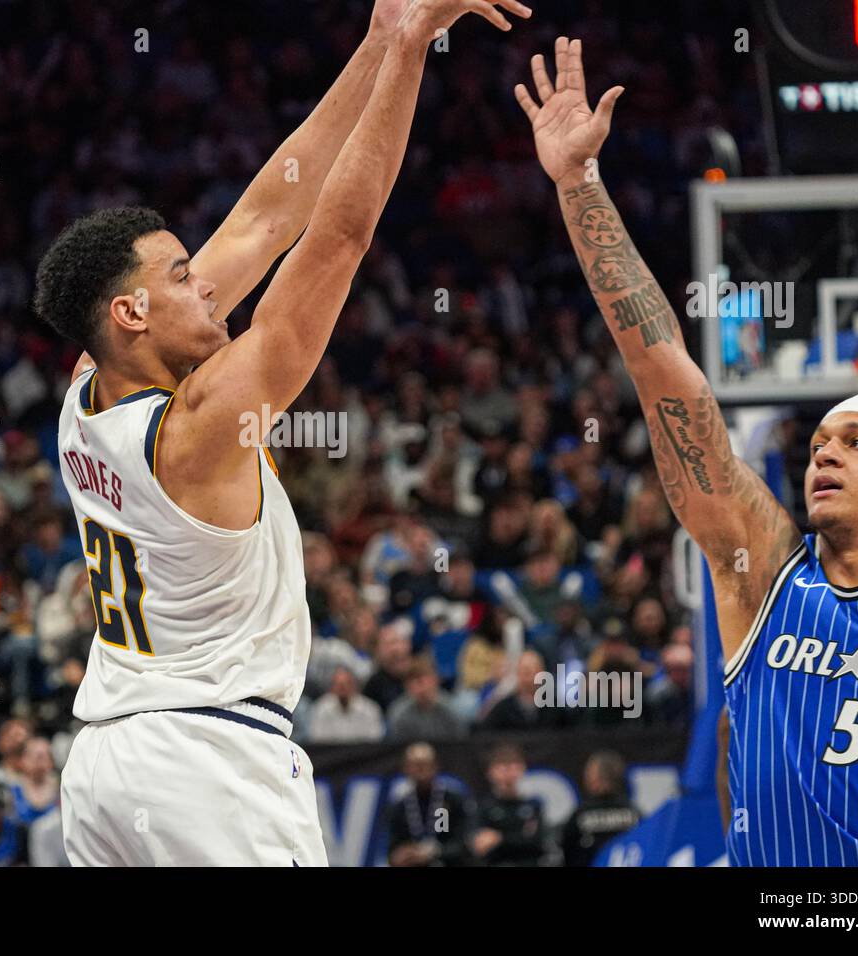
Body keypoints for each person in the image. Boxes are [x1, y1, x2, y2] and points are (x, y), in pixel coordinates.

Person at [46, 0, 531, 866]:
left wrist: (379, 36)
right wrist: (415, 52)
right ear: (131, 313)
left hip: (103, 765)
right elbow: (337, 238)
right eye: (186, 278)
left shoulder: (85, 392)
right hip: (209, 763)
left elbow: (268, 218)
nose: (208, 286)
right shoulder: (196, 432)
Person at [517, 37, 858, 865]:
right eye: (820, 441)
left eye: (857, 442)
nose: (824, 454)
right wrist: (579, 185)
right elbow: (662, 368)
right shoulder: (766, 571)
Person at [470, 745, 546, 866]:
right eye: (502, 768)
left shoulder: (533, 805)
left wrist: (500, 838)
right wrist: (518, 836)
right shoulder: (482, 806)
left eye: (514, 767)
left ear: (523, 769)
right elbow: (479, 843)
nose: (508, 774)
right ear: (490, 772)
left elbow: (537, 842)